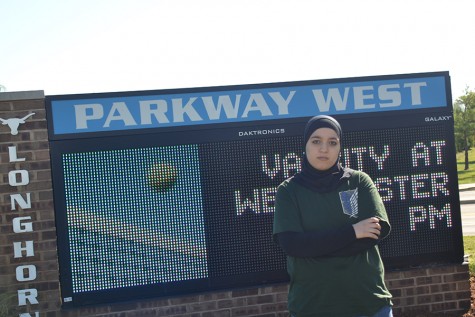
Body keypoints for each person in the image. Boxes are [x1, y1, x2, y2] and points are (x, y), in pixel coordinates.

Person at [273, 115, 393, 317]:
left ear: (340, 147)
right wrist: (354, 231)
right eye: (316, 141)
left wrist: (314, 248)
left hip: (369, 305)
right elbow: (292, 245)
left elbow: (374, 232)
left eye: (332, 142)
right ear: (305, 145)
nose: (324, 148)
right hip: (311, 307)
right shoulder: (288, 191)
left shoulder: (358, 182)